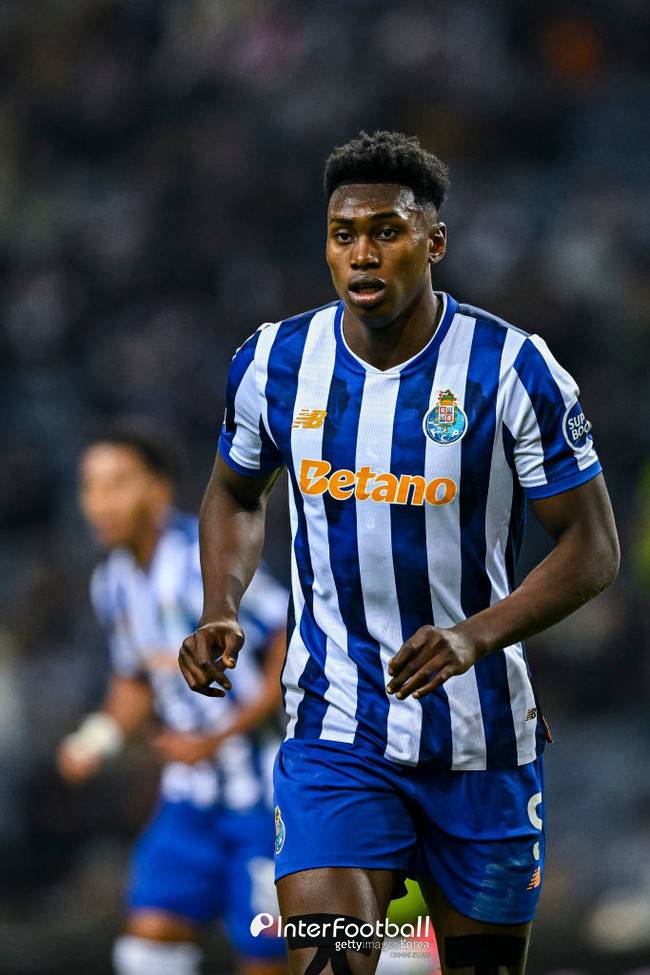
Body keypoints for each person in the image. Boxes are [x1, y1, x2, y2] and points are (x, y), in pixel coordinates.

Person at [178, 131, 620, 975]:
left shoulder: (512, 368)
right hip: (335, 730)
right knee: (332, 960)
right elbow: (234, 491)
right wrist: (220, 606)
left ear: (434, 243)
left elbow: (594, 546)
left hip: (482, 742)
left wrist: (473, 635)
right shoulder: (274, 362)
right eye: (344, 234)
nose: (363, 253)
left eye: (387, 231)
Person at [57, 422, 289, 975]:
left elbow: (291, 636)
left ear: (158, 490)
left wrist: (219, 736)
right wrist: (98, 739)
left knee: (265, 959)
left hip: (265, 797)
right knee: (149, 942)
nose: (99, 501)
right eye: (90, 486)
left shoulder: (203, 562)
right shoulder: (112, 582)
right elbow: (135, 680)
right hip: (189, 797)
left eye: (117, 484)